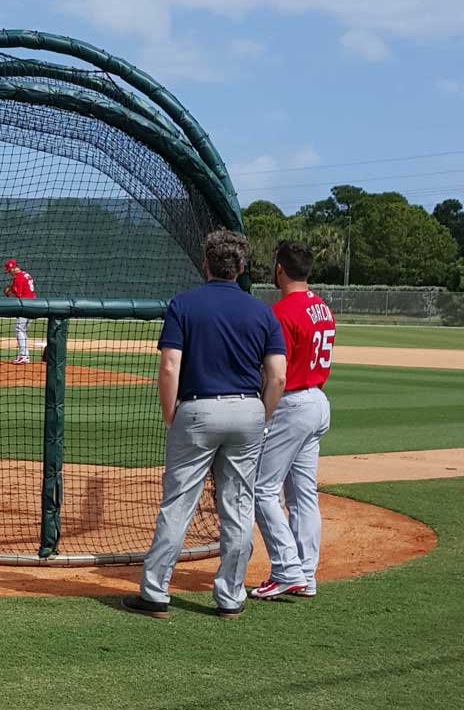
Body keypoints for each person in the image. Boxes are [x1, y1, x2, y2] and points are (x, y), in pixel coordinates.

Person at [123, 229, 287, 620]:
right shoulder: (262, 311)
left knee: (179, 503)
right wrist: (261, 417)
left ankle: (155, 593)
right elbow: (278, 375)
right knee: (238, 506)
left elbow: (169, 367)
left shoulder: (184, 304)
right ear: (242, 267)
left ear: (206, 264)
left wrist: (170, 416)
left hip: (197, 410)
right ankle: (230, 597)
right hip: (248, 409)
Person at [250, 240, 336, 600]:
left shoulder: (282, 312)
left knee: (262, 489)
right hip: (318, 401)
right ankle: (306, 573)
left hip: (293, 403)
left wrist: (264, 415)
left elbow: (277, 375)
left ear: (280, 269)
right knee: (302, 494)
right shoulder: (323, 307)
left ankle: (287, 569)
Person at [3, 258, 36, 363]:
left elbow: (19, 296)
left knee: (18, 329)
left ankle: (23, 356)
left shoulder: (17, 278)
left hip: (25, 305)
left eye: (9, 271)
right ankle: (25, 356)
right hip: (34, 304)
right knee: (22, 330)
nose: (9, 273)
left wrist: (9, 293)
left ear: (13, 268)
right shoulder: (26, 274)